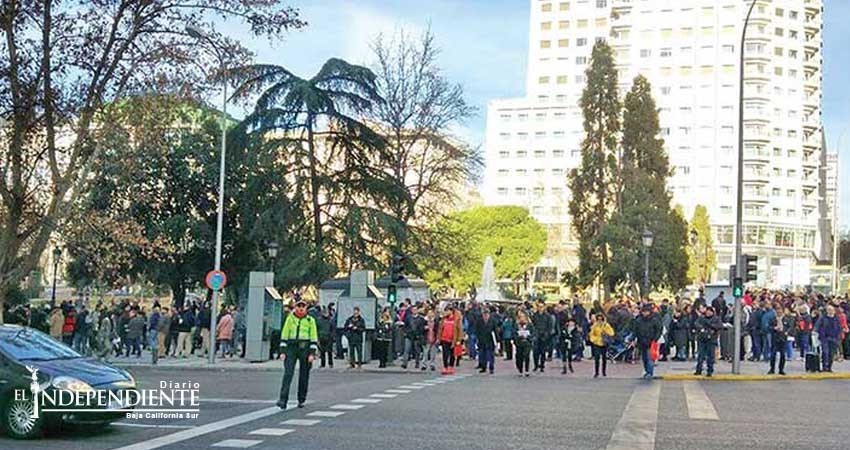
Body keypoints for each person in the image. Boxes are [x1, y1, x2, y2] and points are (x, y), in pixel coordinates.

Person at [277, 300, 319, 410]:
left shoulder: (310, 320)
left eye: (303, 306)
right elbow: (285, 334)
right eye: (299, 306)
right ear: (295, 308)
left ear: (306, 309)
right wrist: (282, 351)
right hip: (291, 348)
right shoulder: (290, 319)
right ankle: (283, 399)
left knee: (304, 375)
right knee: (288, 373)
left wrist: (312, 353)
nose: (300, 308)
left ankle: (301, 399)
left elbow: (313, 336)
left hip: (305, 348)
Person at [631, 304, 662, 378]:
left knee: (650, 358)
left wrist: (655, 339)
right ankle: (647, 371)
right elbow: (635, 331)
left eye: (646, 312)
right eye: (643, 312)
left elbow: (658, 330)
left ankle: (649, 372)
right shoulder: (638, 320)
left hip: (651, 342)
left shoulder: (654, 320)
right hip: (641, 342)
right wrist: (633, 339)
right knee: (644, 358)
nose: (645, 313)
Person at [694, 307, 723, 377]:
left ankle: (710, 371)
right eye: (707, 311)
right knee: (700, 355)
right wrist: (702, 328)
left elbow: (719, 326)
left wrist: (711, 326)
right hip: (702, 339)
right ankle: (698, 370)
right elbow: (696, 324)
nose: (708, 313)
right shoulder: (702, 318)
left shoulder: (716, 319)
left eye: (710, 311)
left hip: (711, 339)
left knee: (710, 356)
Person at [768, 304, 795, 375]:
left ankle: (781, 369)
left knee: (783, 354)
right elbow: (769, 327)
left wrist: (786, 332)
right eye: (777, 311)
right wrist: (774, 328)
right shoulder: (773, 319)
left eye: (780, 311)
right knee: (773, 354)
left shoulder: (786, 319)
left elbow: (790, 327)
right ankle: (772, 369)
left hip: (783, 338)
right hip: (775, 337)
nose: (779, 312)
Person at [815, 305, 841, 372]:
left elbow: (839, 328)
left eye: (832, 310)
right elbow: (817, 326)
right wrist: (816, 332)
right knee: (825, 352)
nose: (831, 311)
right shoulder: (823, 318)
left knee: (831, 354)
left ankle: (829, 367)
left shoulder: (836, 318)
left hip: (834, 338)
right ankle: (824, 367)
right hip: (824, 338)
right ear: (827, 311)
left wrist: (838, 337)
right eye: (829, 310)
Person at [589, 314, 614, 378]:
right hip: (597, 343)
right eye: (598, 319)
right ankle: (596, 372)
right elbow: (591, 334)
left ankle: (604, 371)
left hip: (604, 343)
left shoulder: (606, 325)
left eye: (601, 319)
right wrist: (593, 339)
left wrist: (605, 331)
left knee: (604, 358)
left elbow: (611, 333)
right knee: (597, 358)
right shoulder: (594, 325)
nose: (599, 321)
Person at [531, 300, 553, 372]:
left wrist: (547, 334)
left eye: (541, 307)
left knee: (543, 352)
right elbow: (532, 325)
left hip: (544, 336)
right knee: (535, 351)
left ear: (544, 307)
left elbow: (550, 326)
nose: (540, 308)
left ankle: (542, 366)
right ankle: (536, 365)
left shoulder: (548, 316)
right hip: (536, 335)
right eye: (539, 307)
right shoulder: (534, 315)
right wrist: (533, 334)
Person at [401, 305, 425, 369]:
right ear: (411, 310)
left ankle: (417, 363)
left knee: (417, 351)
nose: (414, 311)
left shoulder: (421, 319)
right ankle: (404, 363)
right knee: (406, 350)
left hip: (417, 336)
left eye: (415, 309)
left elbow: (422, 328)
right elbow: (405, 326)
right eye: (413, 310)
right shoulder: (408, 318)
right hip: (409, 335)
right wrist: (406, 332)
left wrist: (420, 334)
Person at [476, 308, 498, 374]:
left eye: (487, 314)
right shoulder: (479, 321)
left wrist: (497, 340)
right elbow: (477, 331)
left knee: (490, 355)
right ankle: (483, 367)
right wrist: (478, 339)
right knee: (482, 355)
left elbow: (495, 330)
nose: (485, 315)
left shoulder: (493, 321)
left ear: (489, 314)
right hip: (482, 340)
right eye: (484, 314)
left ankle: (491, 368)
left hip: (490, 340)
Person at [438, 307, 459, 375]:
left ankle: (451, 366)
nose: (446, 312)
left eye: (447, 311)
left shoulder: (456, 319)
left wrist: (459, 339)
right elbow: (440, 329)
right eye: (446, 311)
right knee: (445, 354)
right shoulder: (443, 319)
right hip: (444, 339)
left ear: (451, 311)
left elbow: (459, 329)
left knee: (452, 354)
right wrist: (439, 338)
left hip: (453, 339)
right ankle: (445, 366)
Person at [514, 311, 534, 377]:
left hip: (527, 343)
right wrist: (518, 336)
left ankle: (527, 370)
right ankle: (520, 370)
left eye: (523, 317)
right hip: (519, 343)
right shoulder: (517, 325)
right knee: (519, 356)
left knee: (526, 355)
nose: (522, 318)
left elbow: (533, 333)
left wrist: (529, 336)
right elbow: (514, 333)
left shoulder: (530, 325)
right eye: (520, 317)